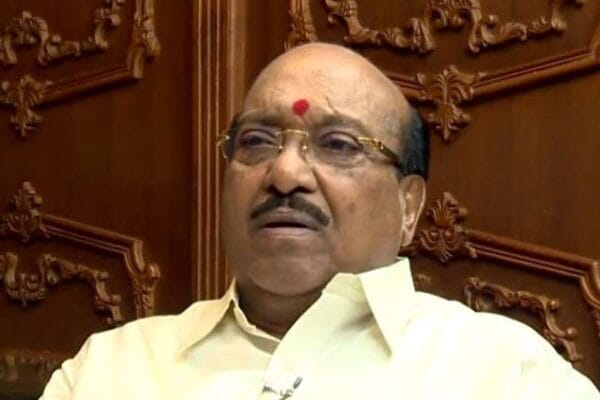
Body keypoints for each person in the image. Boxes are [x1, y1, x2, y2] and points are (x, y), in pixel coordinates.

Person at [41, 43, 599, 399]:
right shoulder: (109, 370)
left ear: (409, 206)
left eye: (338, 145)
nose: (285, 173)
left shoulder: (507, 374)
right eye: (256, 141)